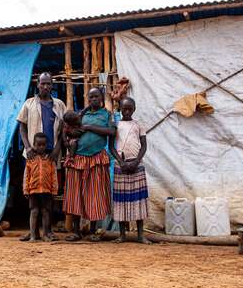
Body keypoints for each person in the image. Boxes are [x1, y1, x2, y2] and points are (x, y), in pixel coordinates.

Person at [17, 73, 66, 241]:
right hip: (32, 155)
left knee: (48, 195)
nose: (45, 87)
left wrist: (58, 148)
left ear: (52, 85)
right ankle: (33, 232)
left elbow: (64, 130)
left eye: (48, 84)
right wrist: (28, 147)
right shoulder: (29, 104)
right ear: (37, 84)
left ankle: (48, 231)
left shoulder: (59, 105)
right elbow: (22, 127)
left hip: (52, 156)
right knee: (33, 194)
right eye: (43, 83)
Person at [63, 87, 115, 242]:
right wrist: (70, 139)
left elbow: (112, 132)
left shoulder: (107, 115)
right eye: (91, 97)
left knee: (94, 195)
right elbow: (66, 130)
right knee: (75, 195)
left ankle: (93, 231)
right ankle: (76, 231)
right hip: (78, 159)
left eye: (96, 96)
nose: (93, 99)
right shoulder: (81, 114)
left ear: (101, 97)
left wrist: (89, 128)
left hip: (96, 158)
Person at [109, 97, 151, 244]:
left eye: (130, 108)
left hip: (137, 166)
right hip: (121, 166)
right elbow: (111, 147)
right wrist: (121, 162)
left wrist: (136, 162)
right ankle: (122, 235)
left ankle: (140, 235)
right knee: (121, 200)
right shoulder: (116, 125)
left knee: (139, 199)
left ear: (134, 108)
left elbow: (144, 146)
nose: (127, 111)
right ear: (120, 108)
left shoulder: (139, 125)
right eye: (124, 108)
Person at [23, 133, 58, 242]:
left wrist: (54, 189)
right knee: (34, 212)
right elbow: (26, 175)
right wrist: (25, 189)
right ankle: (33, 235)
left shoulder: (50, 159)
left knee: (45, 212)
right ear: (34, 144)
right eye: (38, 145)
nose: (41, 147)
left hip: (47, 191)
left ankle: (45, 234)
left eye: (43, 145)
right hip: (33, 190)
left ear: (46, 145)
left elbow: (54, 175)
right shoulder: (30, 159)